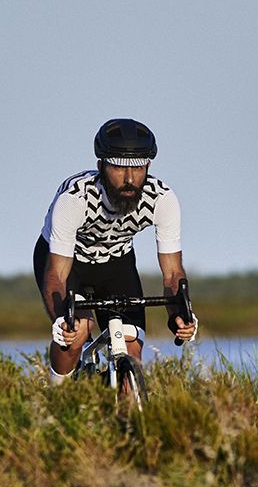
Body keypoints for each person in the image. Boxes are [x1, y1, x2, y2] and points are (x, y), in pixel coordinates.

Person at [34, 118, 198, 383]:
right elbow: (57, 274)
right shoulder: (75, 199)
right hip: (68, 261)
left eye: (138, 168)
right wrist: (64, 322)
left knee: (132, 348)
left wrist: (180, 314)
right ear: (101, 166)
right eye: (119, 169)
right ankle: (57, 399)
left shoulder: (162, 199)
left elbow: (172, 273)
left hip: (116, 263)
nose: (130, 179)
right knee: (76, 335)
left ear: (148, 166)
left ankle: (129, 413)